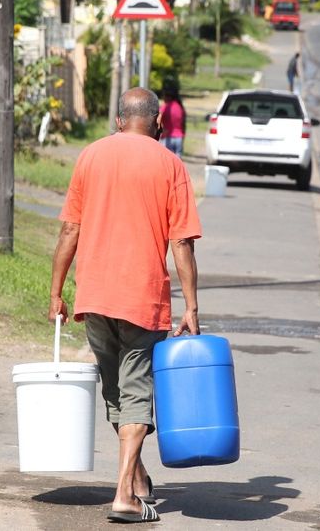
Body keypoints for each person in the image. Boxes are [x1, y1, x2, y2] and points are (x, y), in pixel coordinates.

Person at [49, 87, 202, 524]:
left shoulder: (91, 156)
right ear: (157, 123)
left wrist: (56, 292)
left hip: (94, 295)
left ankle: (135, 476)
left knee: (116, 389)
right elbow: (181, 243)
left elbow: (68, 232)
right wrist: (191, 306)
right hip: (142, 297)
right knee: (136, 392)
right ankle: (125, 496)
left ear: (119, 120)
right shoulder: (170, 165)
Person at [160, 86, 186, 157]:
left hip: (168, 137)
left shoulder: (165, 107)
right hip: (179, 138)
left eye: (164, 96)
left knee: (168, 161)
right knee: (178, 161)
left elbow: (158, 119)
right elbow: (183, 123)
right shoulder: (180, 107)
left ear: (168, 97)